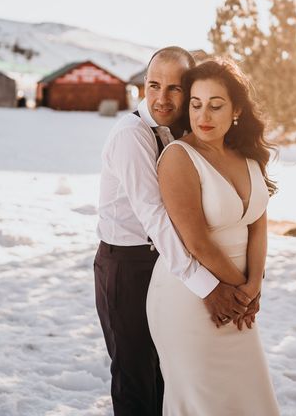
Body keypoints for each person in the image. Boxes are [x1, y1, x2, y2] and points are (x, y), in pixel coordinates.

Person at [94, 47, 253, 416]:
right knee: (135, 378)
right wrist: (208, 286)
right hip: (127, 267)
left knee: (168, 374)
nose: (162, 98)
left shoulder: (181, 127)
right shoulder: (131, 135)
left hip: (167, 265)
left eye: (175, 88)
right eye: (153, 85)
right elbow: (156, 218)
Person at [146, 59, 280, 414]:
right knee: (202, 402)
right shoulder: (179, 157)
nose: (203, 115)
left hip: (239, 297)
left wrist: (254, 287)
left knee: (248, 399)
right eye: (196, 104)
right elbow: (197, 241)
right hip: (192, 296)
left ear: (236, 109)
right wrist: (242, 292)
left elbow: (258, 226)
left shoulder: (248, 156)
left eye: (215, 105)